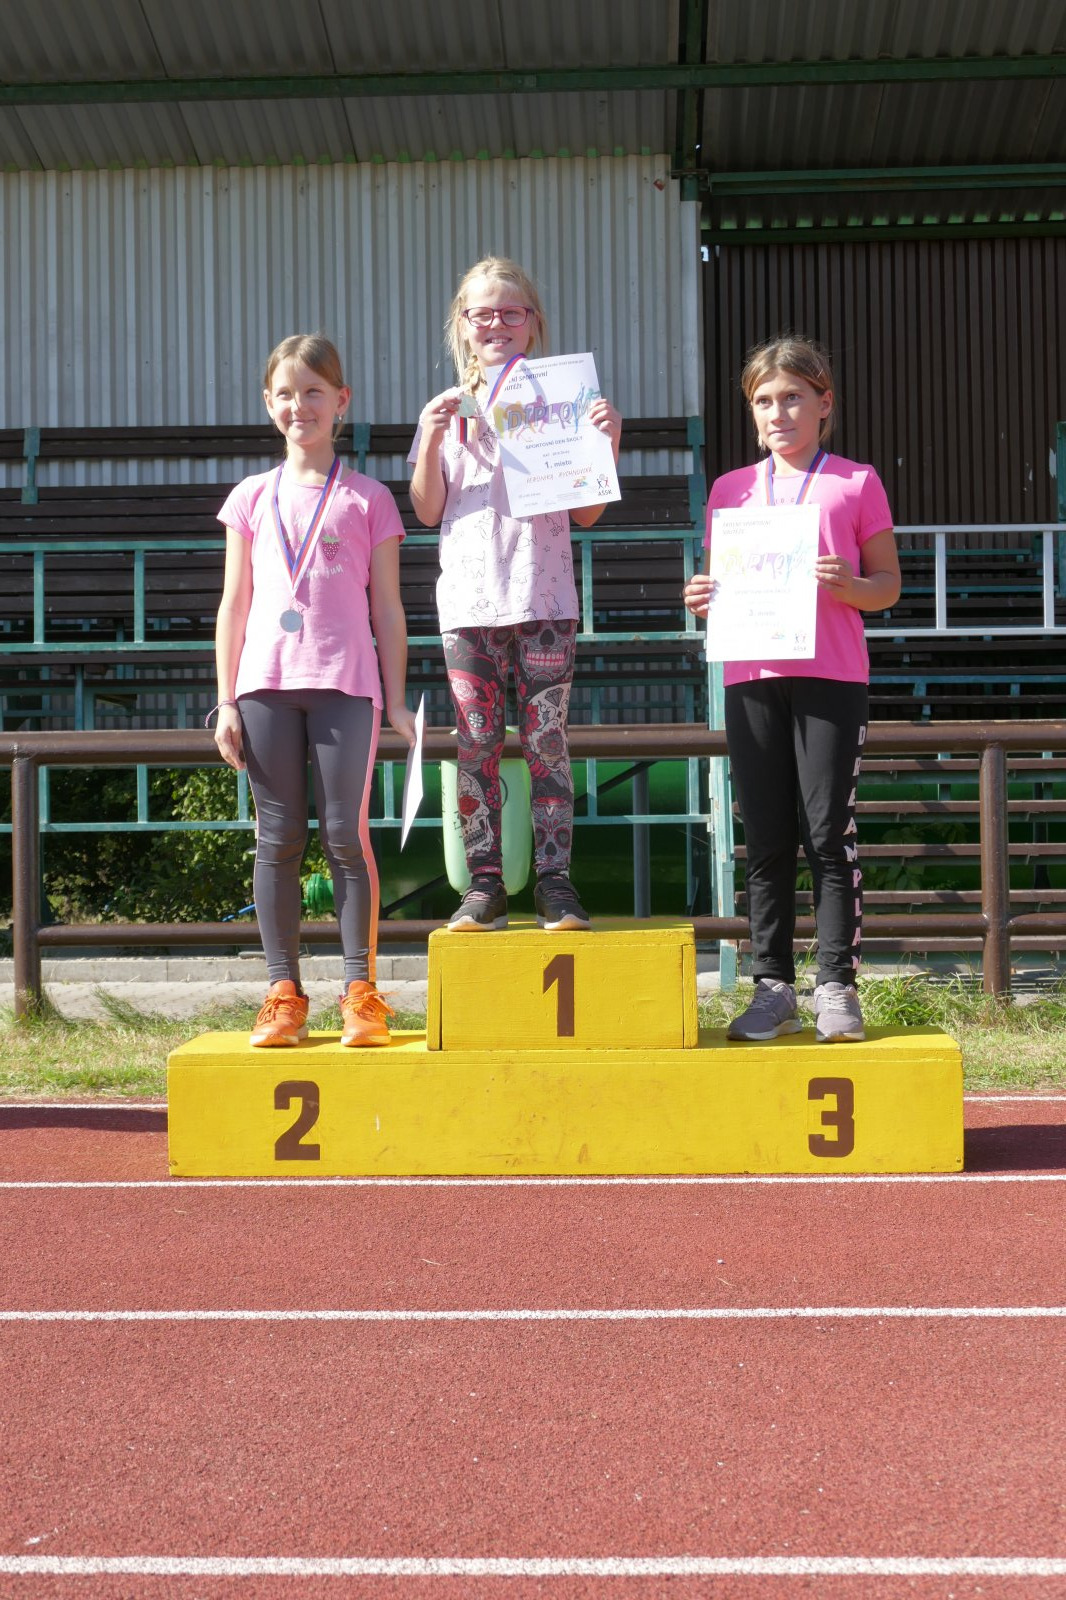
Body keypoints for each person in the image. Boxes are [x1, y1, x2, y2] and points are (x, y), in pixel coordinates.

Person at [684, 336, 901, 1042]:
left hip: (831, 677)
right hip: (751, 675)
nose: (778, 413)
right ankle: (772, 987)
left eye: (793, 398)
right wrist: (701, 595)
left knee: (828, 833)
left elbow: (888, 586)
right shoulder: (731, 490)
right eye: (764, 401)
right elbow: (723, 584)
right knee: (768, 837)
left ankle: (837, 986)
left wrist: (851, 586)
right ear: (752, 412)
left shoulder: (856, 482)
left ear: (824, 403)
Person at [211, 333, 416, 1049]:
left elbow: (388, 608)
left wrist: (396, 699)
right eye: (286, 394)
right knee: (278, 840)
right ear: (268, 404)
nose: (299, 405)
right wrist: (226, 700)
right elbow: (234, 604)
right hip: (264, 686)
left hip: (346, 685)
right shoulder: (249, 497)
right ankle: (282, 993)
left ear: (340, 401)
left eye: (313, 392)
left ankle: (360, 992)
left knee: (344, 836)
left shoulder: (369, 498)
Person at [409, 255, 622, 931]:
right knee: (475, 745)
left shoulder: (562, 402)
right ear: (462, 325)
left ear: (532, 323)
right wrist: (430, 439)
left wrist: (607, 443)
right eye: (482, 313)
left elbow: (587, 512)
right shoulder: (445, 410)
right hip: (469, 605)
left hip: (545, 598)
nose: (496, 323)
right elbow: (426, 509)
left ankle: (555, 884)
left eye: (510, 311)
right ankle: (485, 886)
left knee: (546, 743)